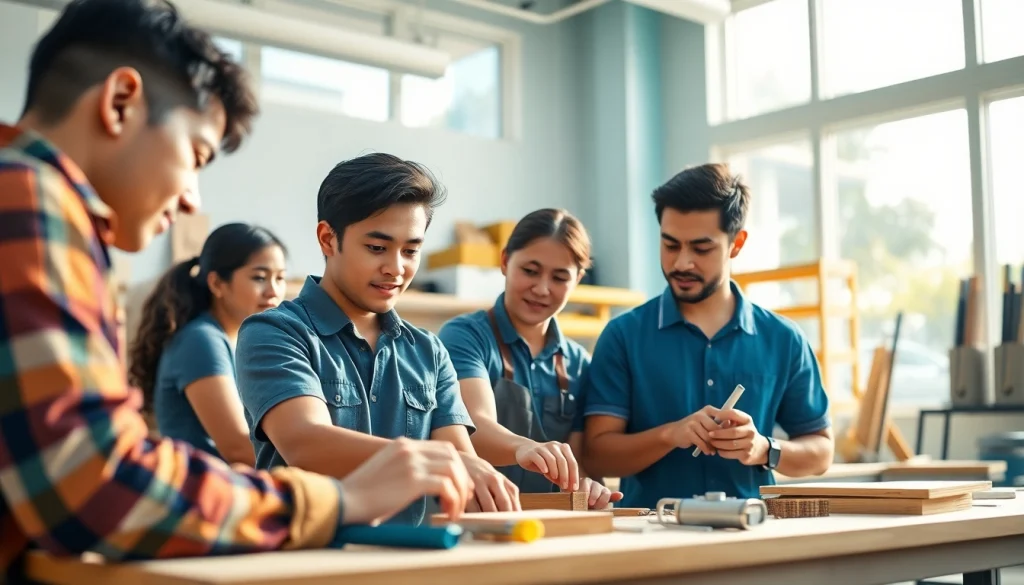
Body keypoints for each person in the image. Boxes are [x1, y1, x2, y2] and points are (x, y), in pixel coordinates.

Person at [0, 0, 472, 579]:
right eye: (196, 155)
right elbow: (97, 481)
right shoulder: (30, 202)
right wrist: (336, 502)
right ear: (120, 102)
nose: (193, 198)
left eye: (411, 249)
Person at [235, 153, 520, 526]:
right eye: (377, 248)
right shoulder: (274, 332)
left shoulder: (429, 352)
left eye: (411, 251)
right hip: (308, 565)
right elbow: (306, 442)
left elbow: (461, 461)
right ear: (327, 238)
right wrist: (437, 460)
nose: (396, 268)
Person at [580, 163, 834, 508]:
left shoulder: (784, 340)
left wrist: (763, 449)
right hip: (649, 540)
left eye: (701, 249)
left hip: (751, 534)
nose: (682, 263)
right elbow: (597, 456)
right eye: (670, 245)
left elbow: (821, 452)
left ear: (737, 243)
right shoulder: (623, 337)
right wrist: (670, 435)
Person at [437, 209, 622, 509]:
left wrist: (588, 487)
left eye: (560, 277)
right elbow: (474, 426)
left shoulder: (577, 362)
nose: (541, 288)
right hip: (478, 516)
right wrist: (526, 448)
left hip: (549, 525)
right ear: (505, 261)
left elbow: (578, 458)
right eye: (530, 271)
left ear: (578, 280)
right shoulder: (465, 336)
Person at [128, 223, 289, 465]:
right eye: (259, 277)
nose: (273, 291)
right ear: (217, 284)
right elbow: (236, 446)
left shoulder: (233, 341)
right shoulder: (201, 340)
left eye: (280, 277)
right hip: (202, 495)